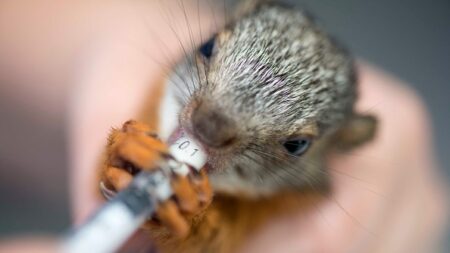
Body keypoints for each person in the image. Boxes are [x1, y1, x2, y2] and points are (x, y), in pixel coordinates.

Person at [0, 1, 447, 252]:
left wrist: (190, 223)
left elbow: (216, 232)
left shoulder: (282, 201)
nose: (207, 124)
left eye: (293, 144)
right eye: (211, 49)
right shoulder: (165, 85)